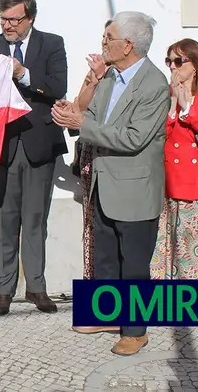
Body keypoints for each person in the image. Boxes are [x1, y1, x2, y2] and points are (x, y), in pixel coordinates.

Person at [51, 11, 170, 356]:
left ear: (128, 45)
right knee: (105, 254)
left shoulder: (153, 84)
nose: (103, 42)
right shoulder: (112, 78)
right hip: (104, 182)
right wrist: (72, 116)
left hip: (134, 187)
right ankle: (107, 315)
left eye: (109, 38)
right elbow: (94, 119)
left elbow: (133, 138)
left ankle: (135, 330)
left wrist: (82, 124)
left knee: (133, 263)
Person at [0, 0, 68, 316]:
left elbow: (56, 88)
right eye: (3, 18)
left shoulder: (51, 43)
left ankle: (37, 287)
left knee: (36, 219)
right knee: (4, 220)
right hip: (2, 146)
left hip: (40, 144)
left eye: (14, 19)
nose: (7, 25)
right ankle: (3, 289)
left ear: (30, 18)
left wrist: (21, 74)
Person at [150, 39, 198, 280]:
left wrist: (187, 108)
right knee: (162, 252)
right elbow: (159, 136)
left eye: (178, 61)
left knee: (194, 253)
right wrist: (173, 105)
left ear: (194, 64)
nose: (172, 67)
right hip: (165, 185)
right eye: (169, 61)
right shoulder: (163, 96)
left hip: (197, 185)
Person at [70, 21, 111, 280]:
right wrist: (94, 80)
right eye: (103, 36)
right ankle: (95, 279)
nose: (104, 42)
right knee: (93, 223)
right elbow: (79, 107)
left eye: (110, 36)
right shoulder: (96, 72)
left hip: (113, 154)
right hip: (90, 156)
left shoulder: (131, 77)